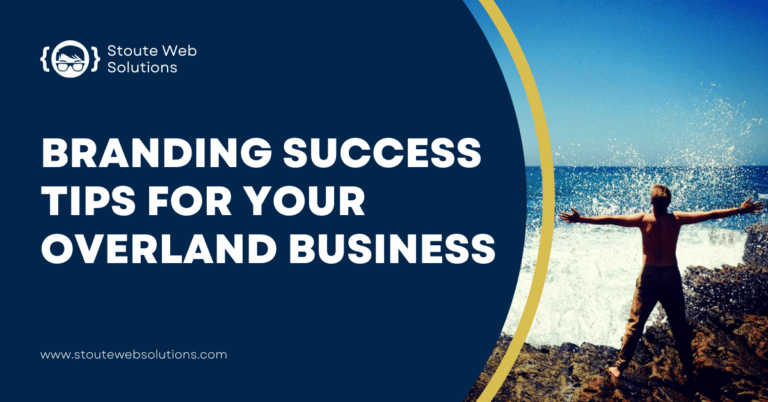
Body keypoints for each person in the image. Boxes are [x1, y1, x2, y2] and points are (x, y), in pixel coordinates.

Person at [559, 184, 764, 382]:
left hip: (649, 276)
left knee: (636, 323)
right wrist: (739, 210)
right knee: (679, 325)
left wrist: (581, 219)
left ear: (651, 202)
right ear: (668, 202)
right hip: (670, 275)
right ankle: (688, 373)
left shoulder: (643, 219)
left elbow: (612, 220)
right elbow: (710, 214)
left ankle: (620, 367)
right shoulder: (677, 219)